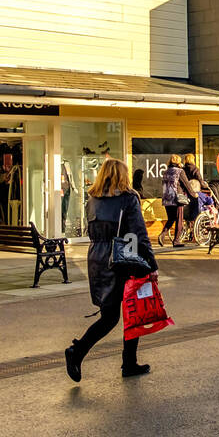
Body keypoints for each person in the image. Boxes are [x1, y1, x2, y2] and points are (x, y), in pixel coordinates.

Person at [63, 158, 156, 381]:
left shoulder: (92, 199)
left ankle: (83, 352)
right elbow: (139, 234)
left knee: (110, 316)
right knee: (130, 313)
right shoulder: (128, 199)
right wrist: (151, 265)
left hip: (97, 258)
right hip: (124, 258)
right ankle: (122, 361)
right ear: (122, 175)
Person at [159, 154, 194, 247]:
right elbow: (187, 184)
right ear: (179, 162)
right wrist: (194, 194)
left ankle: (162, 235)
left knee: (171, 218)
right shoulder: (180, 171)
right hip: (177, 199)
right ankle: (176, 240)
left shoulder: (166, 172)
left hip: (167, 198)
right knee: (179, 219)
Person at [182, 155, 204, 228]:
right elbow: (200, 181)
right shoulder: (195, 169)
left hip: (186, 192)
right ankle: (194, 226)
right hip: (195, 191)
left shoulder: (183, 169)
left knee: (188, 209)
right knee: (195, 209)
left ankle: (189, 226)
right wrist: (206, 186)